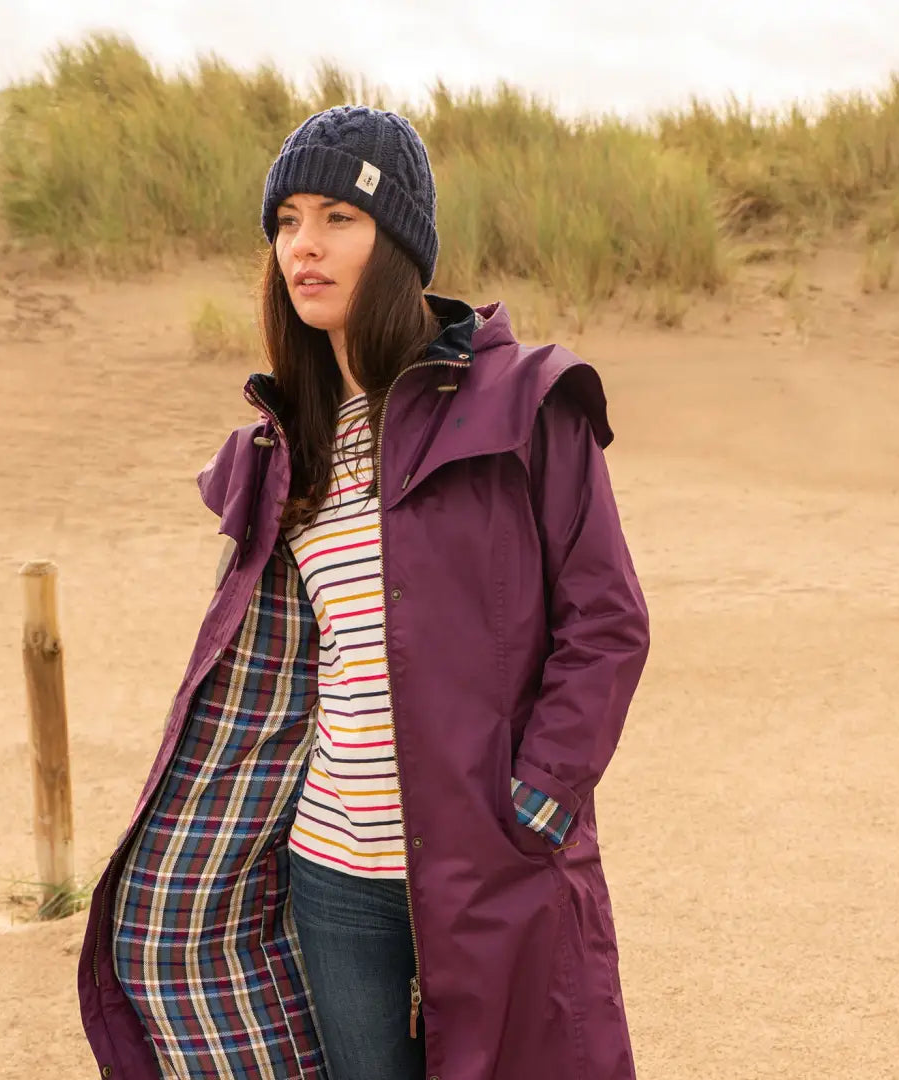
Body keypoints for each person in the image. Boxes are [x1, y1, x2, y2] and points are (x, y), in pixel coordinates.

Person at [78, 105, 650, 1080]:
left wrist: (539, 803)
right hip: (332, 871)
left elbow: (607, 622)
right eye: (288, 220)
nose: (305, 245)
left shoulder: (524, 404)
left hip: (491, 861)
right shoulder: (287, 447)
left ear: (399, 243)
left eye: (339, 217)